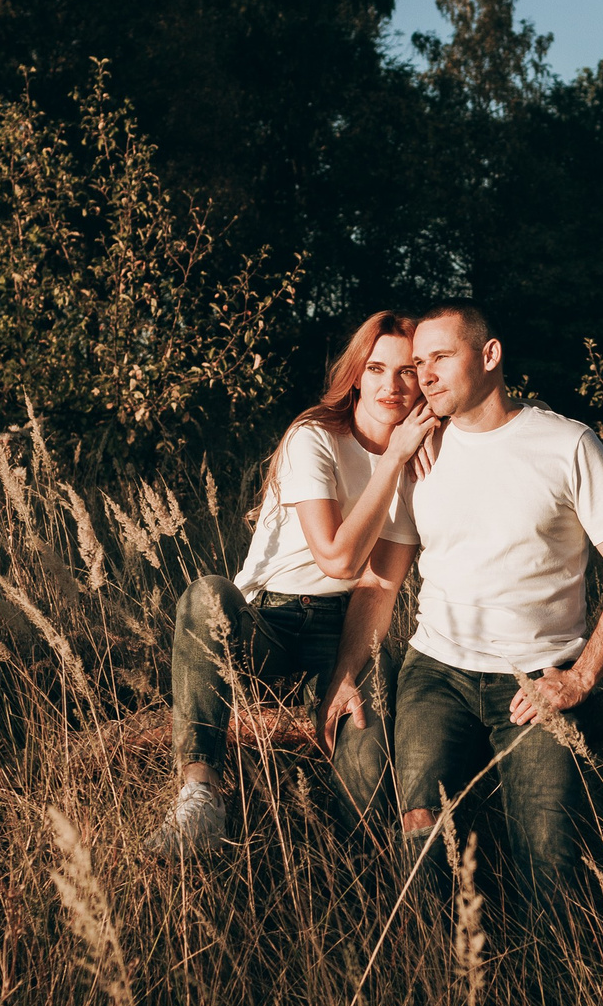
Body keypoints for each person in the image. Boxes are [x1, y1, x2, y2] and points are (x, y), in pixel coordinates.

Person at [388, 301, 603, 900]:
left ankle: (553, 990)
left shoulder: (566, 444)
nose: (424, 375)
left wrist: (582, 676)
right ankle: (439, 982)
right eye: (417, 362)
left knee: (550, 865)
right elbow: (382, 579)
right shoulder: (418, 448)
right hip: (436, 672)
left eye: (440, 357)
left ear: (489, 355)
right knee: (421, 841)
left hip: (536, 679)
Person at [151, 311, 434, 853]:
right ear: (356, 374)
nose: (391, 386)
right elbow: (339, 558)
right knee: (205, 592)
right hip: (265, 621)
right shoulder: (316, 437)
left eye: (408, 371)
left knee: (371, 711)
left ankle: (349, 859)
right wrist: (393, 459)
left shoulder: (419, 466)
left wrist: (348, 672)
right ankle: (201, 797)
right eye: (377, 368)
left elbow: (376, 587)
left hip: (343, 628)